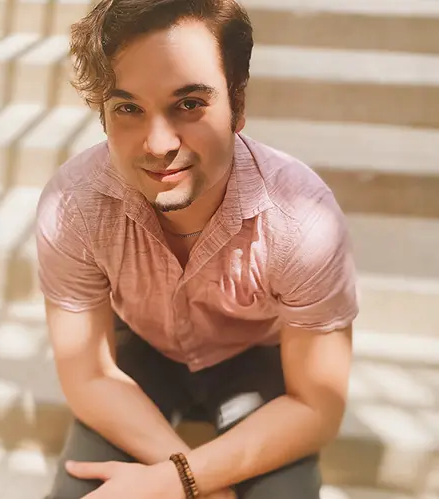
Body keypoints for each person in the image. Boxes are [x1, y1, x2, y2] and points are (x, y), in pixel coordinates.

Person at [35, 1, 359, 498]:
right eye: (128, 108)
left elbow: (317, 407)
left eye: (189, 104)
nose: (159, 142)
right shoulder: (74, 205)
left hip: (258, 355)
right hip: (143, 350)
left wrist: (177, 480)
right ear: (102, 118)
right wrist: (200, 485)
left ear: (239, 105)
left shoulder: (301, 219)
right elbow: (90, 374)